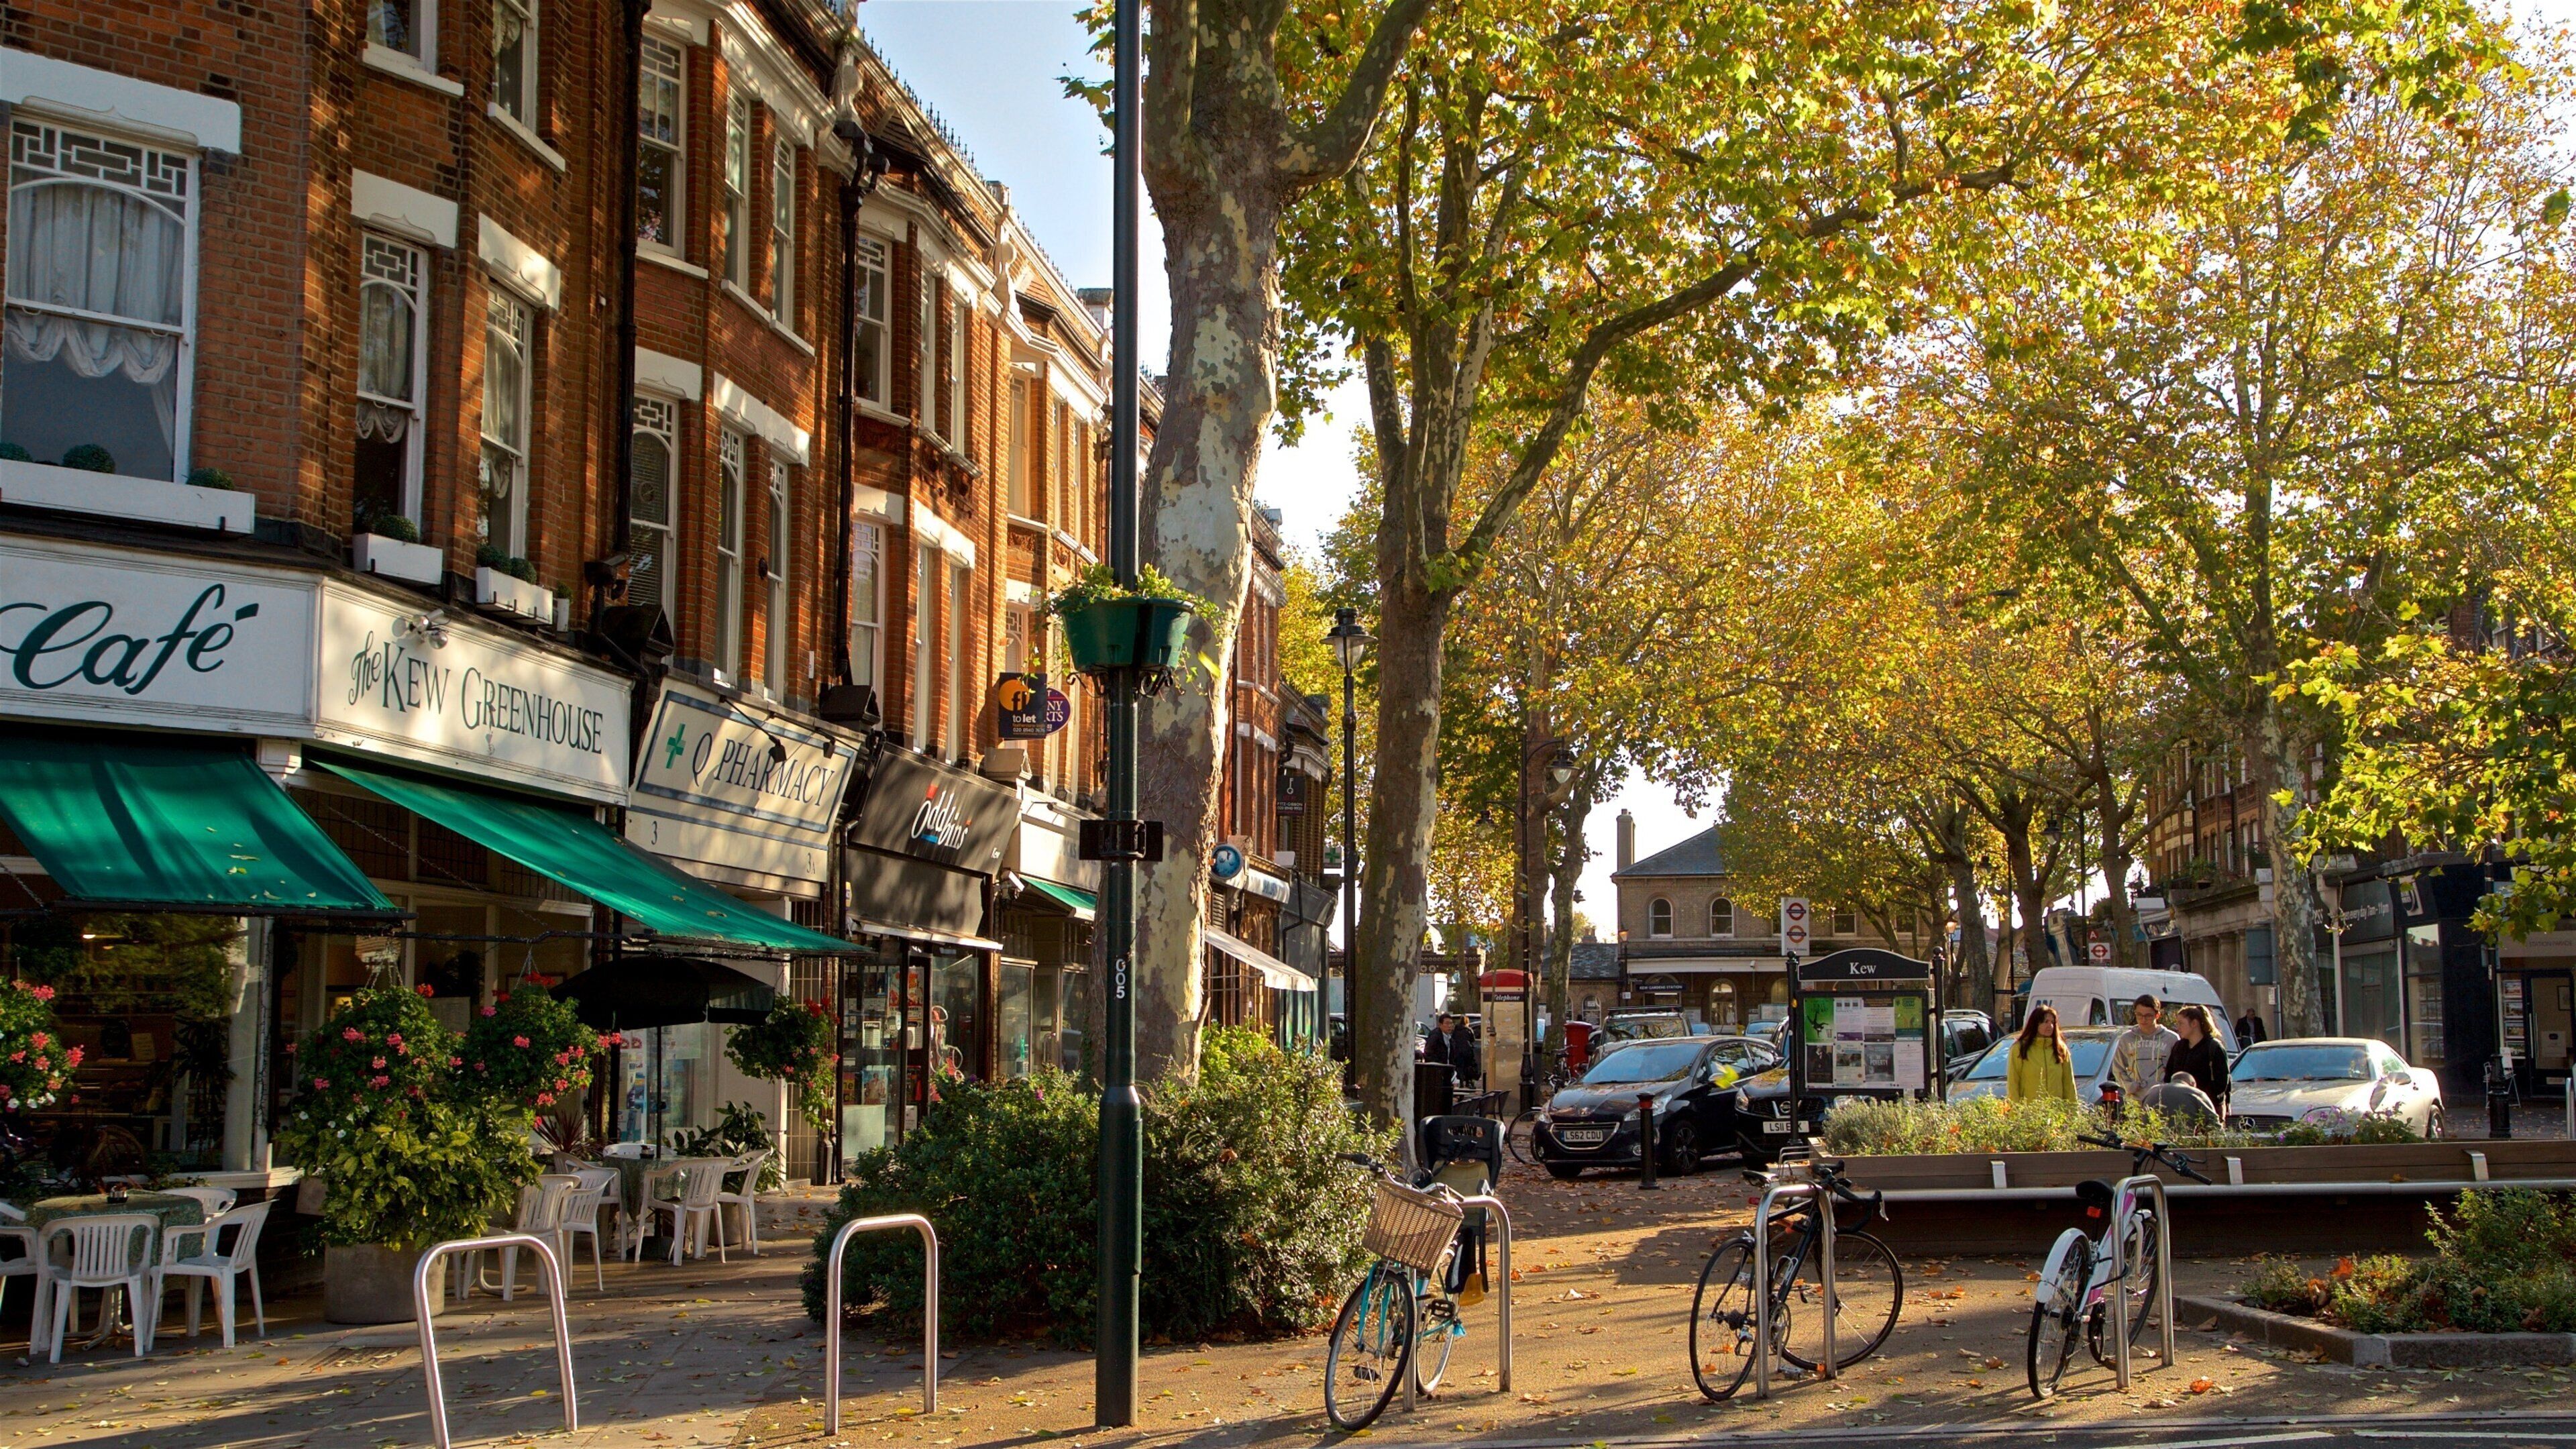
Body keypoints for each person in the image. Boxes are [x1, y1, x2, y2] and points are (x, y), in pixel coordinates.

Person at [2108, 994, 2179, 1100]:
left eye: (2148, 1016)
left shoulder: (2171, 1038)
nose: (2143, 1019)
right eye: (2139, 1015)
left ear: (2157, 1015)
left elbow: (2178, 1071)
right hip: (2135, 1100)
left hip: (2163, 1099)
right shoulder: (2126, 1039)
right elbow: (2118, 1068)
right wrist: (2129, 1086)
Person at [2165, 1004, 2230, 1115]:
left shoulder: (2214, 1047)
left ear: (2194, 1023)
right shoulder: (2179, 1047)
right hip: (2179, 1107)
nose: (2178, 1028)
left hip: (2207, 1108)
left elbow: (2221, 1083)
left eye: (2181, 1023)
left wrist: (2201, 1099)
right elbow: (2169, 1075)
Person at [2006, 1003, 2078, 1103]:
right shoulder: (2019, 1048)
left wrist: (2073, 1110)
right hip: (2029, 1110)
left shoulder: (2061, 1049)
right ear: (2035, 1024)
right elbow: (2013, 1082)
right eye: (2046, 1022)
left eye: (2053, 1022)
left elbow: (2069, 1084)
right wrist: (2015, 1109)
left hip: (2056, 1111)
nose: (2050, 1026)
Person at [1443, 1015, 1482, 1087]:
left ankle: (1461, 1082)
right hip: (1467, 1051)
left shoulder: (1455, 1030)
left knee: (1460, 1067)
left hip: (1457, 1051)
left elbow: (1453, 1039)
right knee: (1468, 1066)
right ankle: (1468, 1082)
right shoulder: (1469, 1030)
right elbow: (1473, 1039)